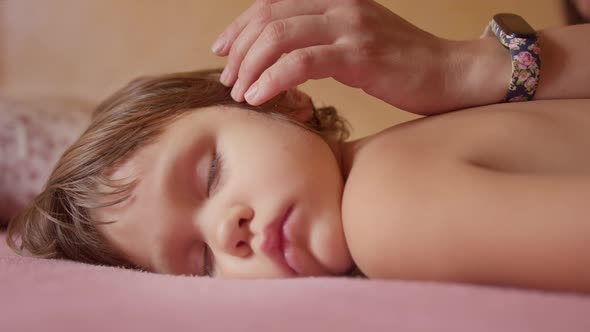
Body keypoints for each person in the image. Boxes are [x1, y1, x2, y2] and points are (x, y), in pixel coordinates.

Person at [6, 0, 590, 292]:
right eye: (200, 263)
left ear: (282, 99)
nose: (226, 232)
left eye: (210, 174)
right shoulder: (403, 155)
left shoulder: (383, 214)